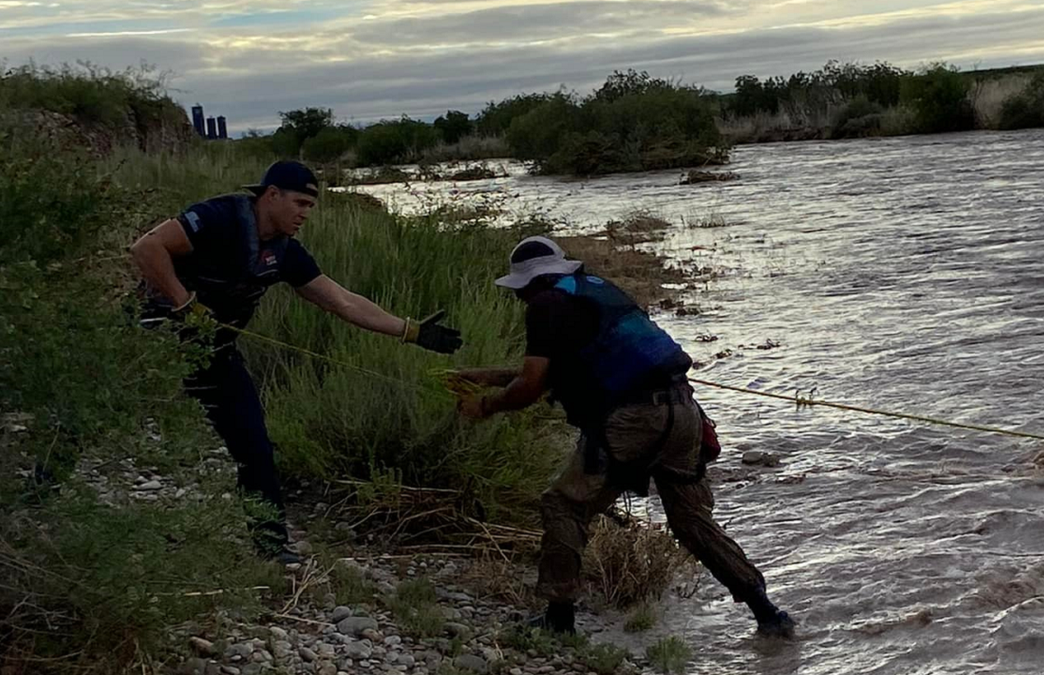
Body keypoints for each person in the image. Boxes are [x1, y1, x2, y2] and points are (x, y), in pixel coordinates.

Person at [453, 236, 793, 637]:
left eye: (519, 291)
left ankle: (558, 620)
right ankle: (768, 614)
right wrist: (487, 377)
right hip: (683, 411)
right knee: (690, 520)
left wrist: (486, 406)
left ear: (530, 284)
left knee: (564, 506)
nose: (519, 299)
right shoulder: (594, 291)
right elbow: (568, 369)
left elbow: (530, 388)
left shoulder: (545, 306)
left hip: (633, 420)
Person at [131, 160, 463, 563]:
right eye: (300, 203)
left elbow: (341, 300)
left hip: (216, 353)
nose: (305, 213)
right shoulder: (220, 217)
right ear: (271, 195)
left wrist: (410, 331)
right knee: (89, 417)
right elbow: (147, 247)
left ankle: (271, 546)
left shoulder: (287, 254)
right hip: (150, 340)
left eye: (311, 206)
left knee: (255, 446)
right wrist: (184, 303)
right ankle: (40, 489)